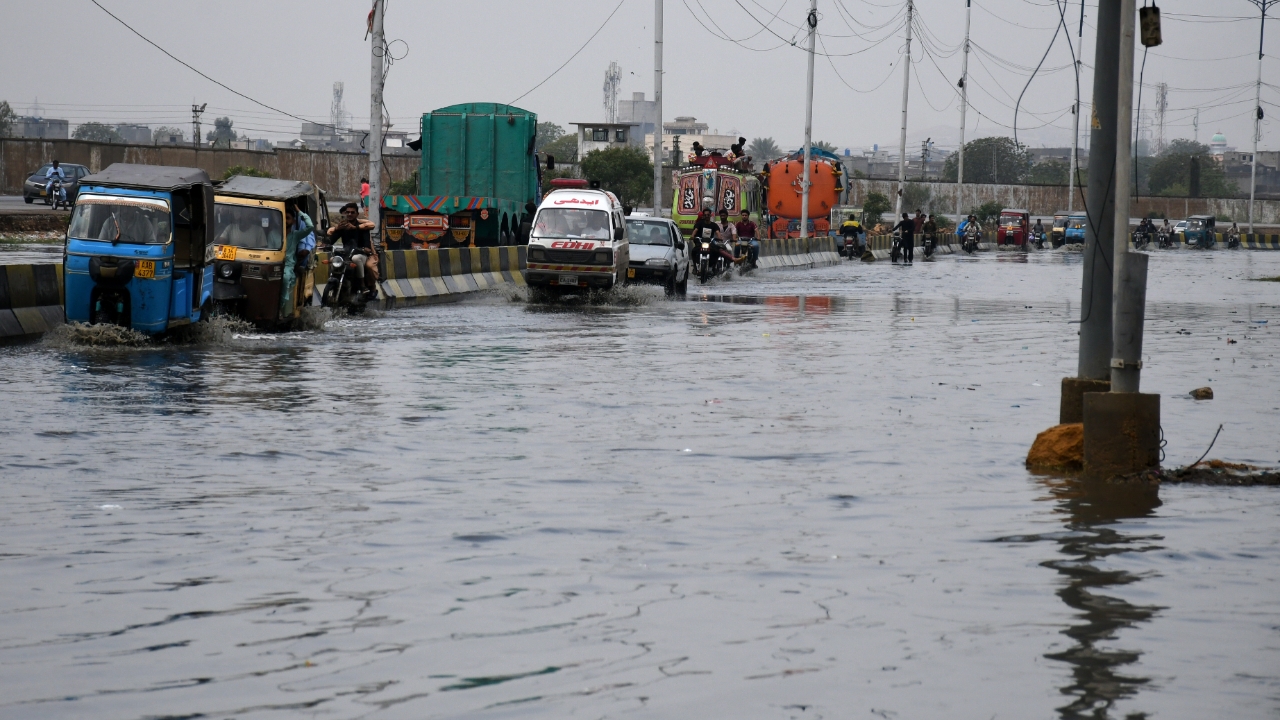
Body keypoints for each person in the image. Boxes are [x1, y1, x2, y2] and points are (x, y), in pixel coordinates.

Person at [328, 202, 378, 298]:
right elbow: (332, 239)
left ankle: (363, 286)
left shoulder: (362, 226)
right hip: (346, 254)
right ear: (345, 213)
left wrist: (366, 248)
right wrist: (326, 243)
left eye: (352, 212)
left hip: (361, 253)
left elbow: (366, 240)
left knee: (356, 258)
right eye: (348, 212)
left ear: (357, 214)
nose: (350, 214)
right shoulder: (342, 226)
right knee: (333, 260)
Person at [280, 205, 315, 314]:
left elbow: (310, 226)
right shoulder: (273, 234)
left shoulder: (295, 235)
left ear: (294, 221)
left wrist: (299, 211)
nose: (285, 221)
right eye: (283, 218)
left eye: (288, 218)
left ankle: (282, 307)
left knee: (285, 278)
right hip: (275, 263)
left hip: (288, 266)